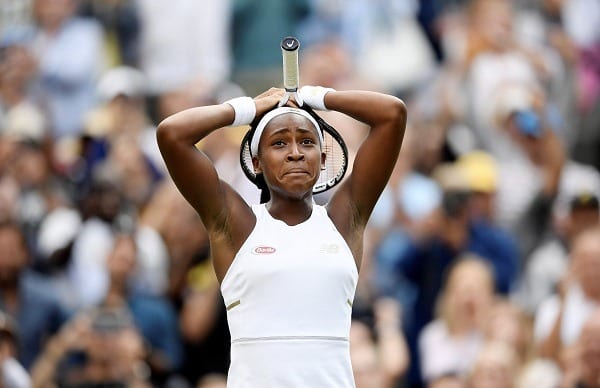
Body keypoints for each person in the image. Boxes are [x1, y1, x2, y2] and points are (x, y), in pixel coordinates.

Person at [157, 85, 407, 386]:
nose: (295, 153)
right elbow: (171, 134)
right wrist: (248, 108)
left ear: (323, 158)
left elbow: (392, 114)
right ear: (257, 162)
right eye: (279, 143)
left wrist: (313, 96)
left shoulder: (345, 219)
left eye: (306, 141)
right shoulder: (236, 226)